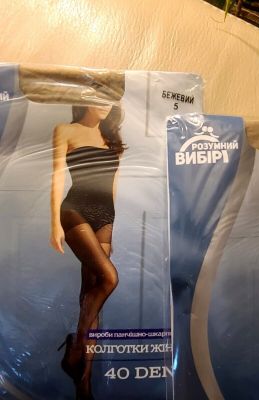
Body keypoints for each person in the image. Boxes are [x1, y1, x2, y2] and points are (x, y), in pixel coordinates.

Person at [50, 104, 125, 400]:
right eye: (101, 98)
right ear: (86, 100)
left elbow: (113, 187)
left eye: (110, 100)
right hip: (75, 210)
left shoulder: (113, 138)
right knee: (110, 279)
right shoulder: (65, 130)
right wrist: (54, 224)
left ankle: (84, 382)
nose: (106, 105)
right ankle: (77, 347)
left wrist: (110, 227)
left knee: (92, 292)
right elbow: (57, 177)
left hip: (105, 217)